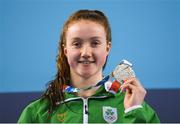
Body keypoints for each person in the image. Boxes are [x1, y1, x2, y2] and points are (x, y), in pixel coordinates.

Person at [18, 9, 160, 123]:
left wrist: (134, 112)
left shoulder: (134, 106)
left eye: (95, 43)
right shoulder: (38, 112)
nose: (86, 53)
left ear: (107, 48)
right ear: (66, 50)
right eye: (77, 44)